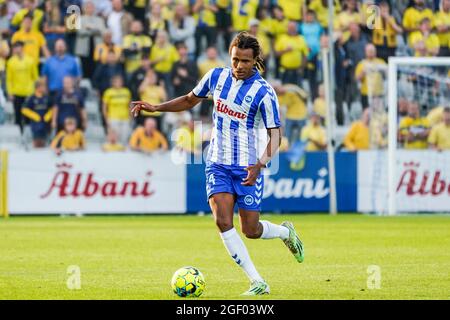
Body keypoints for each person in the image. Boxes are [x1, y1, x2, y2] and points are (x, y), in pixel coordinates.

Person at [130, 32, 305, 296]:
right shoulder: (216, 76)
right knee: (222, 221)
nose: (239, 65)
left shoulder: (264, 92)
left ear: (255, 60)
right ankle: (257, 282)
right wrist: (156, 108)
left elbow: (276, 135)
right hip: (217, 163)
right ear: (230, 56)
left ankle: (285, 233)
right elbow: (190, 100)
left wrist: (260, 165)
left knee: (251, 230)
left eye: (245, 61)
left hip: (248, 167)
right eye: (235, 59)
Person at [6, 41, 38, 132]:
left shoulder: (30, 60)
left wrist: (36, 91)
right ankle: (20, 134)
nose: (16, 49)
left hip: (29, 92)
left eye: (18, 47)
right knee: (18, 116)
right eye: (15, 47)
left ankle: (29, 134)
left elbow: (35, 77)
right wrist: (10, 92)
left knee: (29, 115)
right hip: (17, 92)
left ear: (22, 47)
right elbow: (9, 79)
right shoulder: (11, 62)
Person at [21, 79, 53, 148]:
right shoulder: (32, 98)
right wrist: (35, 116)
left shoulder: (47, 97)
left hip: (46, 122)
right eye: (43, 86)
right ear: (38, 87)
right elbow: (24, 109)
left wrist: (48, 115)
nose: (45, 88)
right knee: (38, 138)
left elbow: (53, 108)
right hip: (35, 123)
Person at [102, 75, 132, 145]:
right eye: (117, 82)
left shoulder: (126, 92)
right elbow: (104, 107)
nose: (119, 83)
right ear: (113, 83)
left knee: (125, 138)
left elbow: (130, 105)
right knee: (115, 139)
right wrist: (106, 119)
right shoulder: (108, 92)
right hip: (113, 118)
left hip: (125, 118)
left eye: (120, 82)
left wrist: (131, 116)